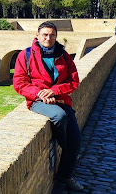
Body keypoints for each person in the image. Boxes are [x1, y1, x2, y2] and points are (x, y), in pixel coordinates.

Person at [13, 22, 83, 191]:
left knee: (76, 140)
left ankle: (64, 176)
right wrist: (40, 94)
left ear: (56, 37)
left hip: (61, 99)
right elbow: (19, 83)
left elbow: (73, 81)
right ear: (37, 35)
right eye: (44, 34)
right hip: (36, 100)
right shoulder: (26, 55)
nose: (48, 38)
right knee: (59, 117)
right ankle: (64, 147)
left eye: (52, 35)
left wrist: (54, 91)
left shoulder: (64, 56)